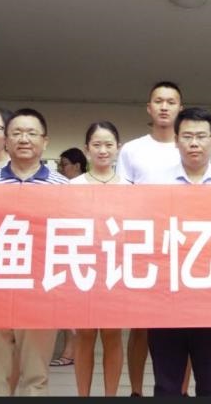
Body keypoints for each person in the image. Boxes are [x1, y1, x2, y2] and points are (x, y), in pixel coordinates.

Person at [142, 107, 211, 397]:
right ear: (176, 140)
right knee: (166, 385)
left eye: (201, 136)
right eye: (187, 136)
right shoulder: (153, 184)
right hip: (165, 299)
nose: (194, 143)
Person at [0, 108, 68, 396]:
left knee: (35, 378)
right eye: (16, 133)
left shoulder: (63, 188)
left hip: (41, 291)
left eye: (31, 133)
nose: (24, 139)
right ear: (6, 139)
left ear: (45, 141)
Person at [116, 81, 186, 397]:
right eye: (158, 101)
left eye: (171, 101)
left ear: (180, 108)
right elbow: (122, 198)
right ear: (149, 107)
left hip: (182, 248)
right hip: (144, 247)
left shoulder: (189, 145)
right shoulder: (132, 150)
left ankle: (181, 390)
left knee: (184, 326)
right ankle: (136, 390)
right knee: (141, 327)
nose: (164, 106)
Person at [70, 121, 128, 396]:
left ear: (118, 148)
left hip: (116, 270)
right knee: (84, 335)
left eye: (108, 145)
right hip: (82, 268)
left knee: (112, 335)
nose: (103, 150)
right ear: (87, 149)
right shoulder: (72, 186)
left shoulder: (131, 188)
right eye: (97, 145)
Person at [49, 147, 87, 369]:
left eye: (63, 165)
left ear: (77, 166)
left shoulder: (82, 188)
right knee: (64, 308)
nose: (61, 169)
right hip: (64, 251)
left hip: (78, 253)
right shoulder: (63, 188)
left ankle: (71, 352)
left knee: (72, 309)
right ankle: (70, 351)